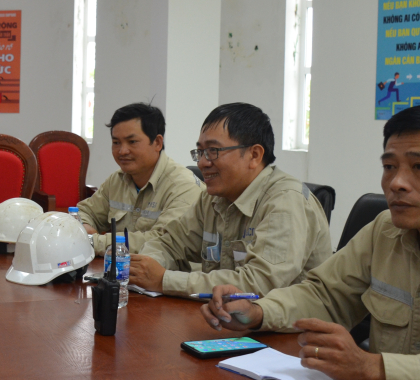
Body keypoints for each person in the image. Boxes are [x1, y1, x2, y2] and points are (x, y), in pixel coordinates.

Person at [200, 103, 420, 380]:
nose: (396, 183)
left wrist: (373, 367)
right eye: (390, 167)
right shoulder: (384, 230)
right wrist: (259, 312)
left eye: (419, 167)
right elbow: (325, 294)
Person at [129, 102, 332, 296]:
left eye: (213, 151)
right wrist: (148, 266)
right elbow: (169, 242)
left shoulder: (286, 201)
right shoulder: (213, 199)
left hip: (290, 329)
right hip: (228, 320)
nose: (202, 162)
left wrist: (164, 280)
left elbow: (258, 284)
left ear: (254, 155)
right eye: (200, 151)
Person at [76, 102, 203, 256]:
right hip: (125, 271)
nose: (122, 151)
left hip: (168, 275)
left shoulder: (183, 186)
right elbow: (84, 212)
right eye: (116, 142)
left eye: (132, 142)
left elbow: (160, 242)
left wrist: (92, 242)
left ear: (157, 143)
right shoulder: (117, 180)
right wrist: (83, 225)